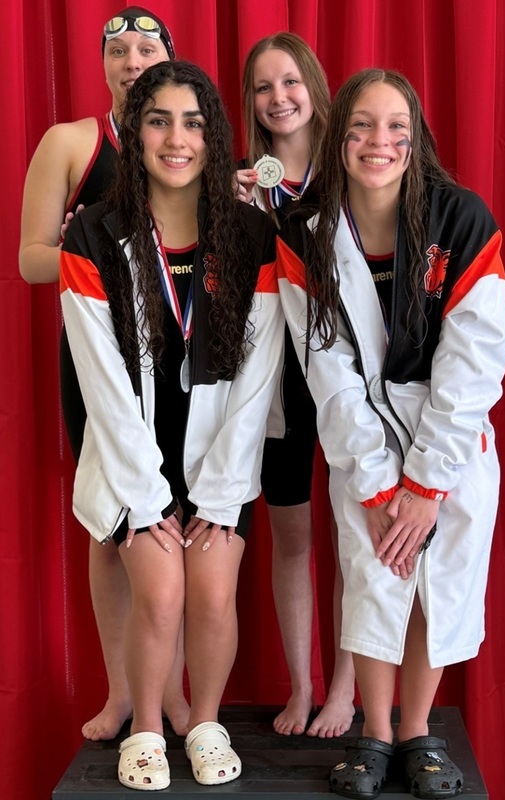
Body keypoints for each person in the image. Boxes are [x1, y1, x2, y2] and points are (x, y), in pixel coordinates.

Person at [276, 68, 505, 799]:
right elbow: (328, 371)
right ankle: (374, 733)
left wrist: (425, 485)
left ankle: (416, 730)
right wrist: (380, 482)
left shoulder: (461, 218)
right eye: (362, 127)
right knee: (376, 576)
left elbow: (475, 359)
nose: (379, 142)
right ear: (339, 134)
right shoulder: (305, 233)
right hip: (364, 440)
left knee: (435, 584)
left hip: (450, 438)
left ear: (415, 140)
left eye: (395, 129)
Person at [59, 59, 284, 791]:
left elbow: (258, 379)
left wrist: (219, 495)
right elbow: (101, 381)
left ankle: (208, 719)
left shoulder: (252, 234)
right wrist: (147, 498)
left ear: (214, 138)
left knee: (214, 590)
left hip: (220, 451)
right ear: (134, 131)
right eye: (159, 121)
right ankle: (149, 727)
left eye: (193, 123)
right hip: (132, 454)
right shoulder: (92, 235)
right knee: (159, 592)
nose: (176, 138)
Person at [18, 7, 190, 742]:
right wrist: (102, 260)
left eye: (147, 45)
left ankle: (175, 690)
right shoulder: (72, 142)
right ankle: (122, 690)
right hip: (98, 356)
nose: (131, 58)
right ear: (103, 65)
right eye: (117, 49)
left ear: (169, 58)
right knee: (110, 521)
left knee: (177, 514)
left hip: (182, 352)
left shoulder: (188, 138)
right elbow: (30, 259)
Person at [238, 32, 356, 739]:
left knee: (352, 537)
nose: (278, 98)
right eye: (262, 87)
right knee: (290, 535)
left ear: (313, 85)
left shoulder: (352, 168)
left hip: (345, 379)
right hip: (278, 381)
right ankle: (303, 686)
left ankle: (346, 688)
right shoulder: (245, 179)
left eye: (289, 82)